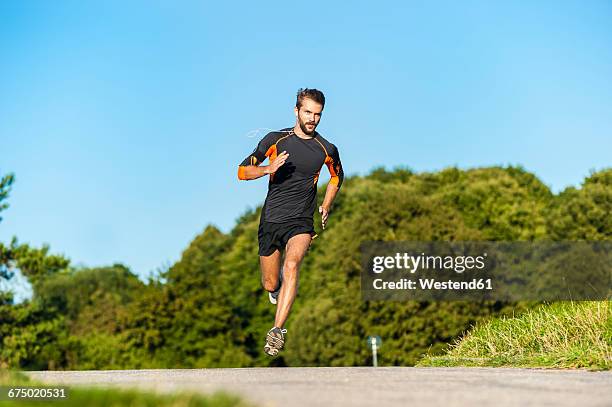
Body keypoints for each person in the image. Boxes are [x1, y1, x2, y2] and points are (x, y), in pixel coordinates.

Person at [237, 88, 344, 356]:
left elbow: (336, 177)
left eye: (318, 114)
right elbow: (241, 171)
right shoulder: (275, 140)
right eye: (308, 112)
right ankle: (276, 290)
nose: (313, 119)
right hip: (272, 219)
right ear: (296, 111)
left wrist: (327, 204)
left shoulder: (326, 149)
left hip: (301, 220)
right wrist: (267, 169)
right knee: (271, 283)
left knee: (293, 264)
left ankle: (276, 331)